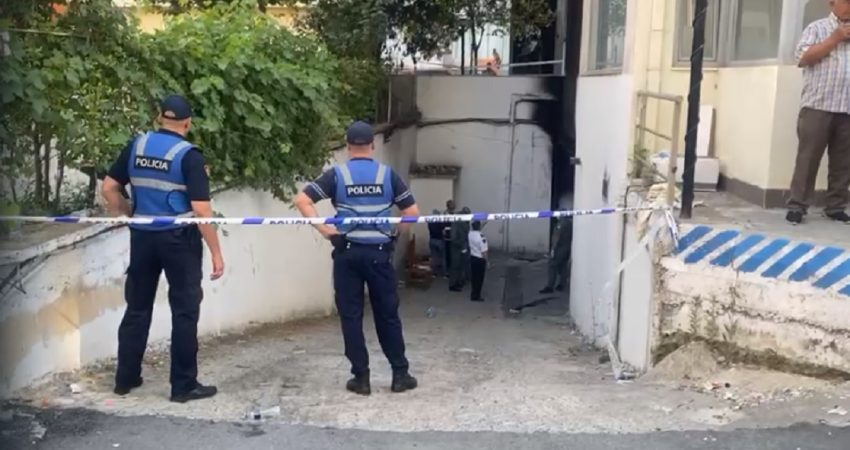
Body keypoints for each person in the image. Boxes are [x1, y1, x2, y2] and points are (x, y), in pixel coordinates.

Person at [101, 94, 224, 404]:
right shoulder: (189, 156)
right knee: (184, 310)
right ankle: (183, 386)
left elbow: (109, 187)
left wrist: (128, 212)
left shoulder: (137, 146)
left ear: (159, 118)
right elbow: (201, 211)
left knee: (137, 306)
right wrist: (216, 252)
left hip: (142, 236)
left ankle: (125, 379)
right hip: (179, 239)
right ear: (188, 123)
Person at [294, 121, 420, 396]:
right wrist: (394, 234)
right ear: (373, 146)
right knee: (387, 315)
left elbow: (302, 200)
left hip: (347, 253)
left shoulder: (337, 175)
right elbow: (411, 213)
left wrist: (327, 231)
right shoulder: (388, 175)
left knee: (351, 316)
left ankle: (361, 378)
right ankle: (400, 374)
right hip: (379, 254)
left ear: (348, 146)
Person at [786, 0, 850, 225]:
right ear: (832, 3)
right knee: (808, 159)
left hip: (847, 107)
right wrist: (835, 39)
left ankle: (835, 207)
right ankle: (797, 206)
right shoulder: (817, 28)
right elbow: (802, 58)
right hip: (818, 106)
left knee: (843, 162)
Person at [541, 217, 573, 294]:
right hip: (567, 248)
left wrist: (553, 250)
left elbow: (556, 237)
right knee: (563, 266)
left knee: (552, 265)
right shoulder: (570, 223)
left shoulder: (560, 224)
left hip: (560, 248)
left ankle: (550, 286)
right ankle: (562, 284)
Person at [448, 207, 471, 292]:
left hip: (461, 246)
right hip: (457, 247)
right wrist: (461, 244)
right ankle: (453, 285)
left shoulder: (463, 221)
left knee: (461, 266)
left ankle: (458, 282)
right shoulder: (457, 222)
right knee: (455, 266)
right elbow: (453, 237)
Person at [468, 221, 488, 302]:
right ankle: (477, 296)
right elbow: (484, 252)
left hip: (472, 258)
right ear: (479, 227)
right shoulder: (481, 237)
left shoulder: (470, 234)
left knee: (474, 277)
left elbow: (477, 228)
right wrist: (487, 261)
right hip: (480, 260)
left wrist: (485, 222)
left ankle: (473, 294)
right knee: (479, 279)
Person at [427, 209, 446, 277]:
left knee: (434, 257)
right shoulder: (440, 221)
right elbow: (443, 230)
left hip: (432, 240)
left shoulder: (430, 222)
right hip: (439, 240)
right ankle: (444, 274)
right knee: (443, 257)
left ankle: (434, 273)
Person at [443, 199, 456, 272]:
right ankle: (448, 269)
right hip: (448, 237)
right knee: (448, 254)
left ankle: (450, 269)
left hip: (451, 237)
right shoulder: (446, 215)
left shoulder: (452, 214)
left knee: (451, 254)